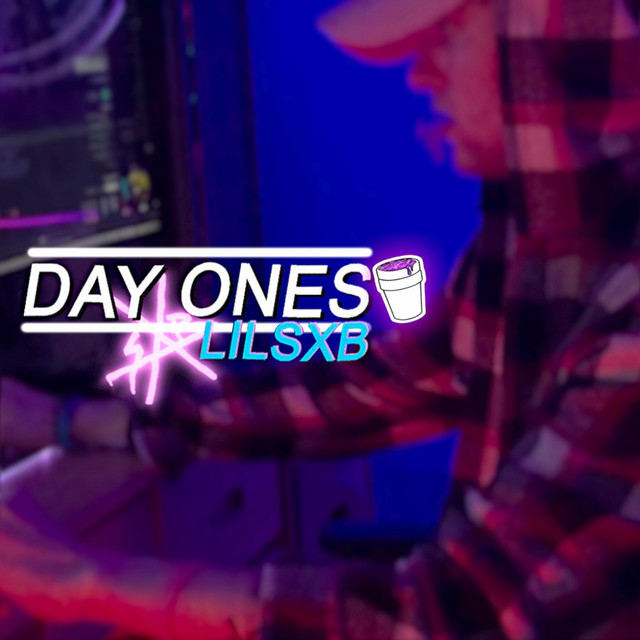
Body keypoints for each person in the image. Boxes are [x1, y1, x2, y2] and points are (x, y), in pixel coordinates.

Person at [2, 0, 640, 638]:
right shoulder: (544, 247)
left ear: (553, 43)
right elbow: (378, 385)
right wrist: (76, 419)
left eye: (445, 35)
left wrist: (81, 581)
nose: (420, 75)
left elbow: (451, 618)